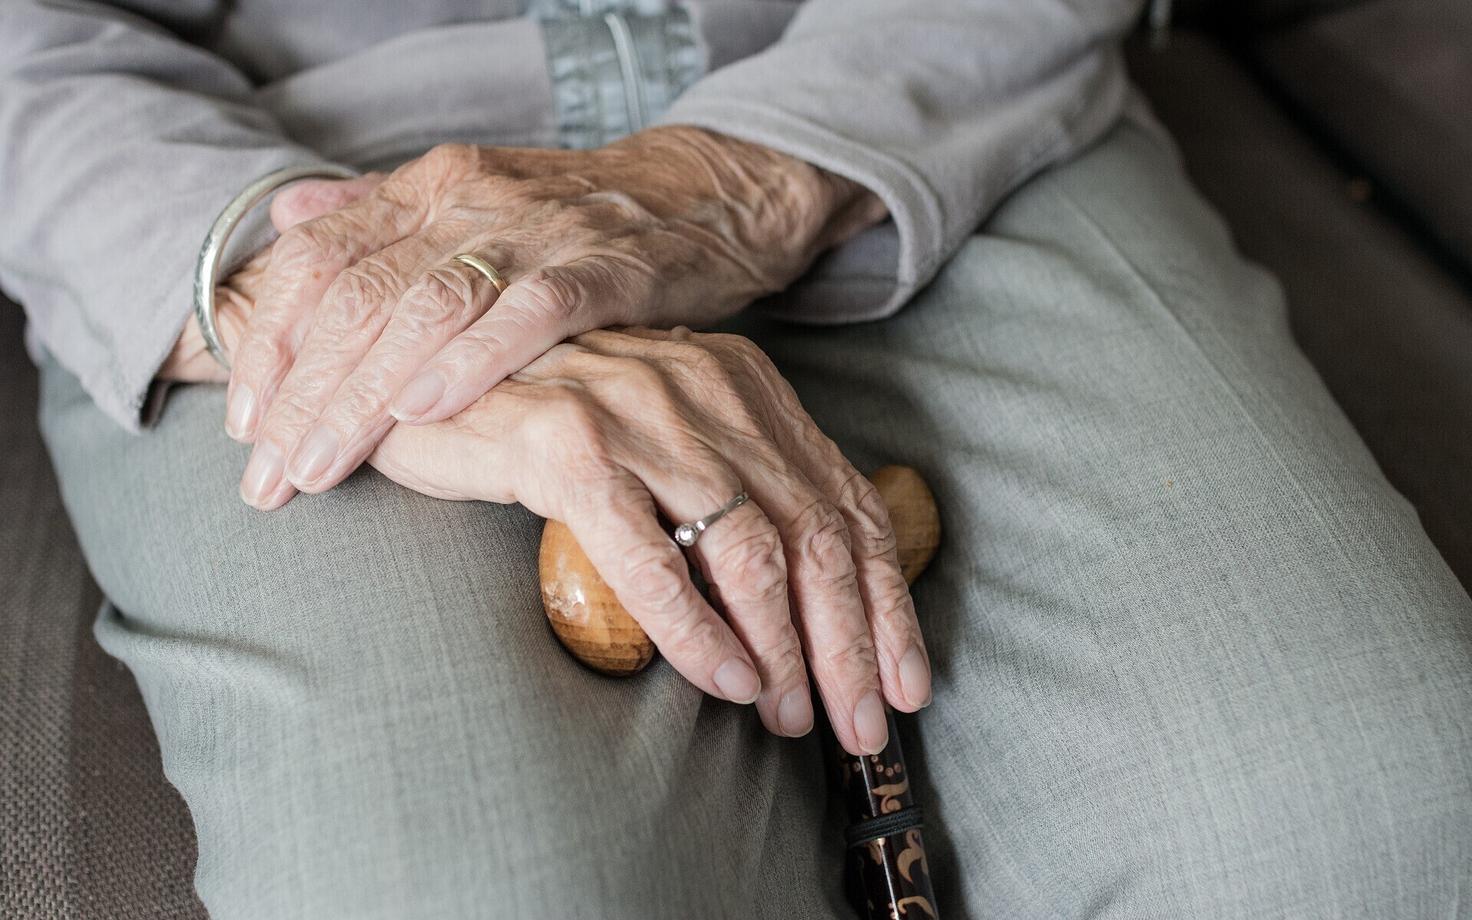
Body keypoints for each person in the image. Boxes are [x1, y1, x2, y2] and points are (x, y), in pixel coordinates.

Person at [4, 1, 1470, 917]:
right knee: (466, 894)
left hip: (934, 95)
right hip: (272, 177)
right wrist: (318, 296)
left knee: (1370, 825)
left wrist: (732, 177)